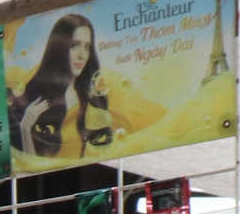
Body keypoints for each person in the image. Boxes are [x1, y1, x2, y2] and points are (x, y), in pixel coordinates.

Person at [10, 14, 166, 163]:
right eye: (75, 45)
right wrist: (25, 128)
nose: (82, 55)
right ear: (59, 48)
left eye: (87, 47)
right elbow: (32, 169)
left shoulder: (92, 99)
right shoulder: (34, 99)